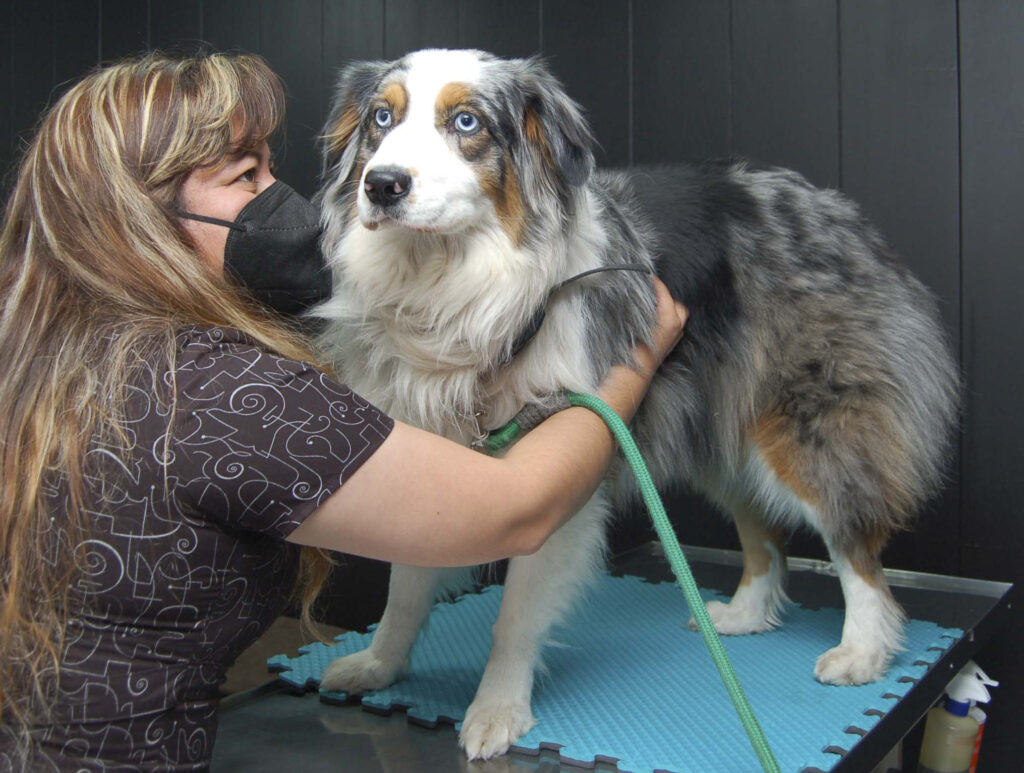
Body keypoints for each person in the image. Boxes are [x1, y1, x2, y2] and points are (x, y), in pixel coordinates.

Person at [0, 52, 687, 771]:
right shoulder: (223, 394)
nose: (284, 196)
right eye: (245, 178)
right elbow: (515, 510)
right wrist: (636, 359)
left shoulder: (45, 349)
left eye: (268, 167)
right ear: (138, 216)